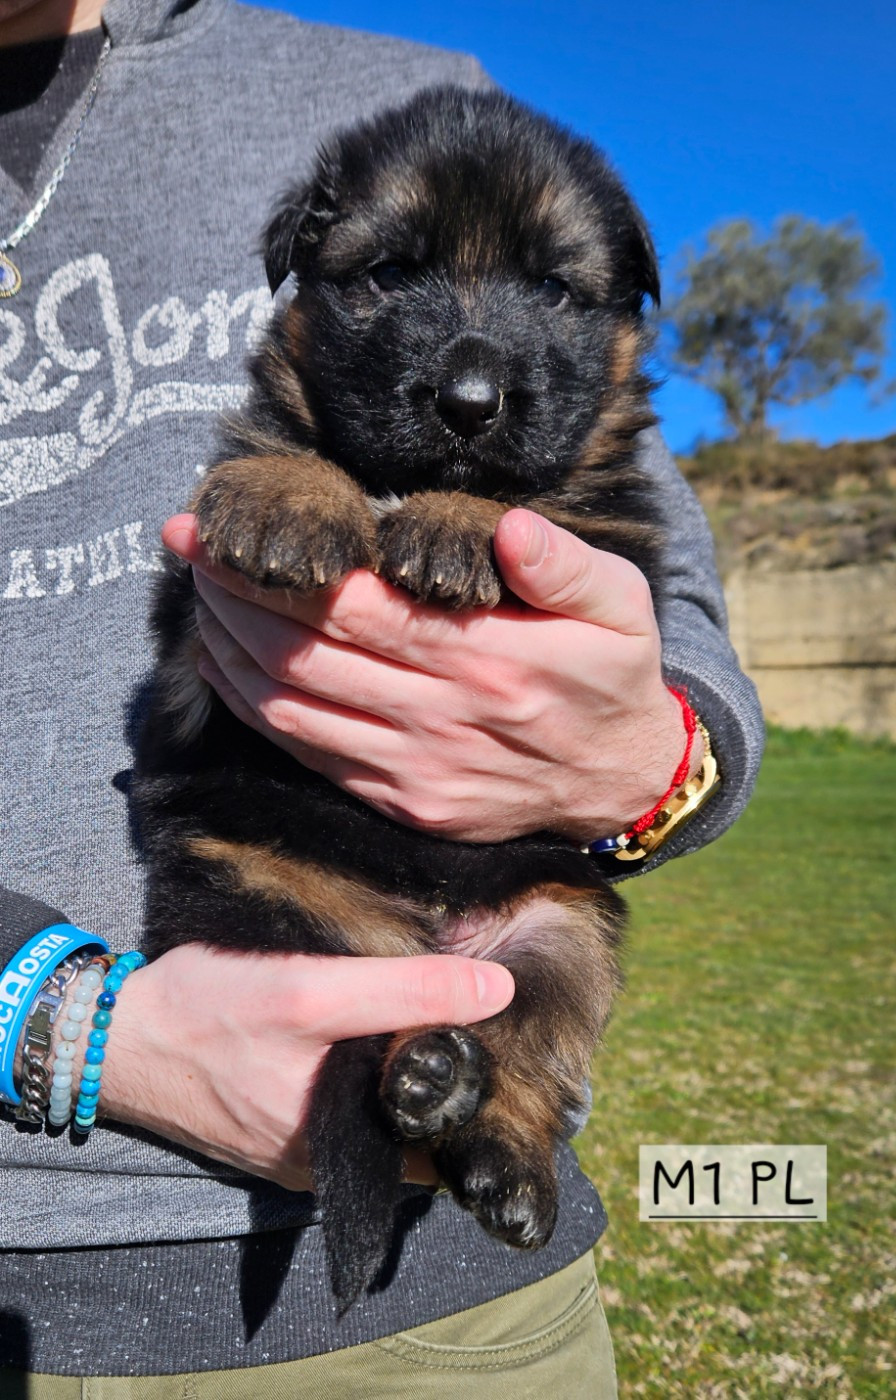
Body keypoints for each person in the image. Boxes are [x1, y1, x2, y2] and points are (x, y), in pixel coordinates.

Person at [0, 0, 764, 1393]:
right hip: (220, 962)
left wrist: (655, 755)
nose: (473, 360)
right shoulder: (282, 450)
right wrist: (59, 1021)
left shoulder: (415, 89)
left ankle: (502, 1112)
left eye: (553, 292)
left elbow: (691, 662)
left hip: (464, 1308)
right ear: (294, 287)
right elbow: (257, 496)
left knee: (559, 942)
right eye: (390, 274)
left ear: (626, 322)